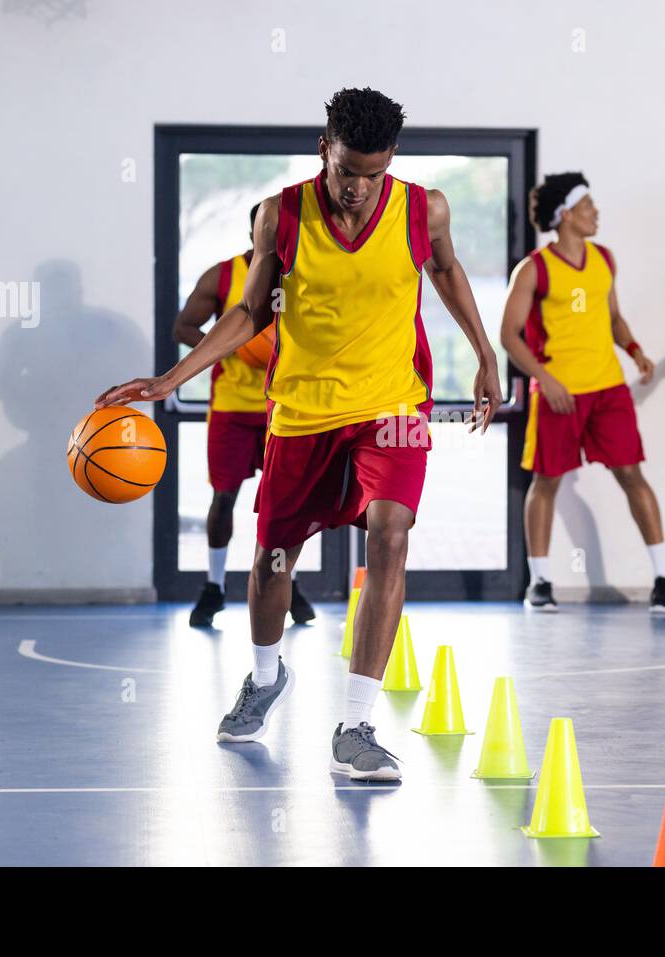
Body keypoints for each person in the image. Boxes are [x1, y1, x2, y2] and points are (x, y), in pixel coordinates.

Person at [97, 87, 502, 778]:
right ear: (325, 149)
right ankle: (264, 674)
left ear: (392, 160)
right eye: (348, 172)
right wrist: (173, 378)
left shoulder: (422, 208)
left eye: (373, 174)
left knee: (392, 533)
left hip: (393, 408)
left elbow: (445, 269)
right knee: (271, 561)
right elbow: (251, 311)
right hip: (303, 412)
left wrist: (486, 352)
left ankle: (356, 723)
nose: (358, 189)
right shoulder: (281, 215)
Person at [500, 172, 665, 612]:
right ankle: (540, 582)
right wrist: (548, 380)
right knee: (546, 483)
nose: (596, 212)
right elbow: (508, 335)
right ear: (564, 215)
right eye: (587, 207)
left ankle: (664, 575)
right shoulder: (534, 269)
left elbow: (613, 316)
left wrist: (634, 349)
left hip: (608, 390)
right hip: (560, 393)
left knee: (632, 475)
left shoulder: (604, 259)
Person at [173, 204, 315, 628]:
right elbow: (183, 326)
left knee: (287, 507)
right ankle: (214, 586)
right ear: (256, 231)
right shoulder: (223, 275)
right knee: (224, 498)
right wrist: (232, 345)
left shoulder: (307, 275)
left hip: (287, 407)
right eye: (268, 229)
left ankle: (287, 582)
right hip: (234, 407)